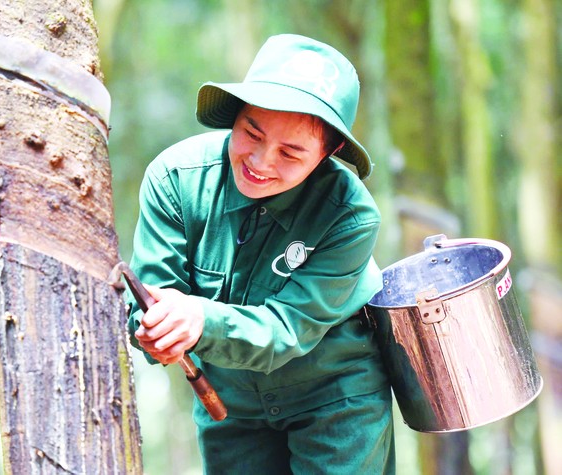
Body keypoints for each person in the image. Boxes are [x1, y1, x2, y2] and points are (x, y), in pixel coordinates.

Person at [127, 34, 395, 474]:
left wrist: (199, 319)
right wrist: (156, 332)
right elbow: (150, 303)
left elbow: (288, 328)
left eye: (291, 152)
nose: (262, 161)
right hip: (229, 406)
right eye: (252, 132)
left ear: (330, 152)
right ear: (235, 116)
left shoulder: (351, 218)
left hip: (335, 397)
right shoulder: (175, 181)